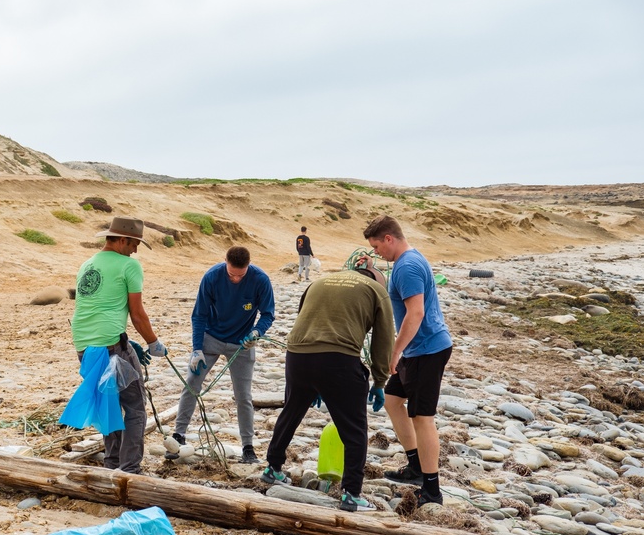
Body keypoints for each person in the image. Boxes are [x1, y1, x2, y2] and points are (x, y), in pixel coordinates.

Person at [262, 265, 394, 512]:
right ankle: (352, 494)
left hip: (298, 355)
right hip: (339, 359)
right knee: (355, 430)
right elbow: (384, 339)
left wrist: (315, 383)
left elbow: (306, 318)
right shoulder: (377, 289)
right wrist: (379, 381)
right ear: (377, 279)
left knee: (291, 412)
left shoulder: (320, 282)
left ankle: (272, 469)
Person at [362, 215, 452, 507]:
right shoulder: (405, 263)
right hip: (416, 351)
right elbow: (398, 292)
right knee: (391, 400)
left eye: (376, 247)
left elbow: (416, 314)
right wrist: (373, 269)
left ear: (389, 238)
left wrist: (395, 351)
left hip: (426, 351)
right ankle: (415, 467)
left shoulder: (409, 266)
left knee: (422, 418)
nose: (376, 251)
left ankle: (432, 489)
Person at [71, 216, 166, 474]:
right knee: (135, 407)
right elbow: (137, 314)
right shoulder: (129, 266)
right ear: (123, 240)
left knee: (108, 403)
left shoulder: (87, 264)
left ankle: (112, 464)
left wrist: (125, 338)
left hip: (84, 345)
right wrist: (153, 342)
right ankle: (130, 470)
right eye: (135, 243)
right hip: (111, 346)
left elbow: (94, 307)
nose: (135, 250)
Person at [169, 246, 275, 464]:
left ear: (248, 267)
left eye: (240, 275)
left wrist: (256, 332)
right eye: (231, 274)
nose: (235, 279)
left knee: (243, 396)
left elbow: (268, 314)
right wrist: (196, 349)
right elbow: (199, 315)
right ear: (225, 262)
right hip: (211, 339)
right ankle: (178, 435)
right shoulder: (212, 277)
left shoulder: (260, 279)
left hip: (243, 344)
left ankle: (248, 447)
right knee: (191, 384)